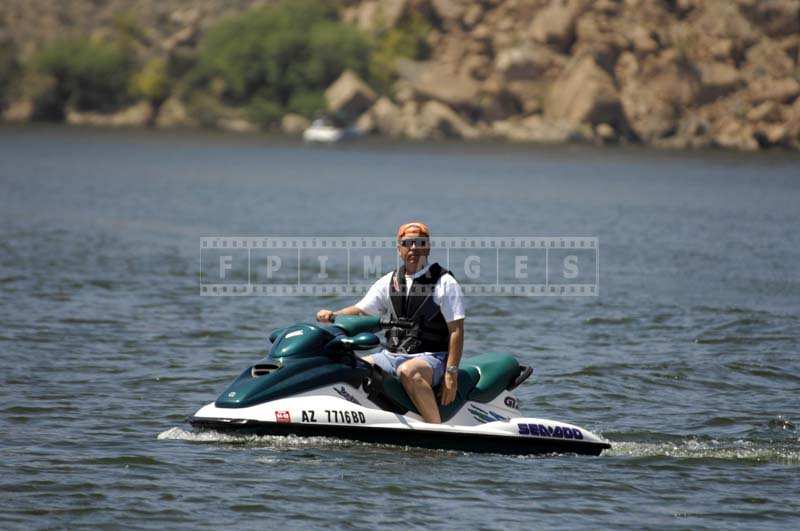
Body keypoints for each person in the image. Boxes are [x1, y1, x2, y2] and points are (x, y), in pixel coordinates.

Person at [316, 221, 465, 424]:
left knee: (409, 371)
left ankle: (436, 429)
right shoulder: (389, 281)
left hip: (432, 358)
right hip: (391, 355)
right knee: (351, 367)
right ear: (399, 249)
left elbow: (456, 331)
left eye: (420, 242)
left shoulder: (445, 282)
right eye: (407, 243)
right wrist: (333, 315)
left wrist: (451, 373)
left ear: (428, 247)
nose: (414, 248)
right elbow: (361, 310)